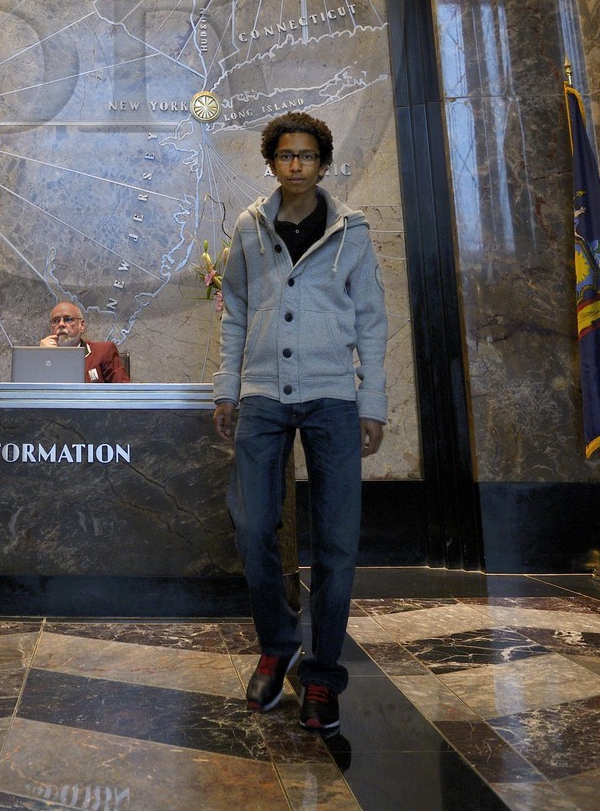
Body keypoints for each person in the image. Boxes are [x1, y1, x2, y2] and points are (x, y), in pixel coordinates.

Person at [213, 110, 387, 736]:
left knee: (337, 542)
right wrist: (225, 390)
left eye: (307, 156)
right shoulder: (249, 228)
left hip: (333, 399)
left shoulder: (352, 232)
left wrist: (373, 403)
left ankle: (321, 675)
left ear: (322, 163)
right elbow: (234, 311)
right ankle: (276, 643)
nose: (295, 165)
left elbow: (371, 319)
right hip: (261, 397)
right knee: (253, 522)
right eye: (285, 155)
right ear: (271, 162)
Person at [40, 301, 130, 382]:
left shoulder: (104, 352)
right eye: (56, 320)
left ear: (82, 325)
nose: (61, 324)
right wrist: (42, 356)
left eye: (68, 319)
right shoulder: (43, 356)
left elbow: (125, 392)